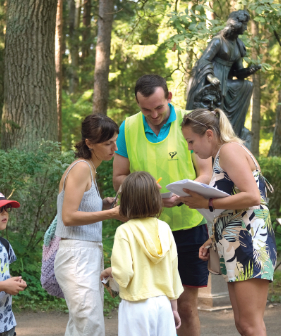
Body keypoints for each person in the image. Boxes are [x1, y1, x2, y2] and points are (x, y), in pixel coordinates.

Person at [113, 74, 213, 336]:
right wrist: (154, 199)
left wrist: (183, 194)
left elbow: (205, 172)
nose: (153, 114)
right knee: (149, 305)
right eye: (146, 109)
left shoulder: (190, 121)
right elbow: (119, 178)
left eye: (158, 107)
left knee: (186, 308)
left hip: (189, 228)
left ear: (169, 97)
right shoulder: (128, 127)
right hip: (145, 233)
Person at [179, 108, 277, 336]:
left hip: (249, 244)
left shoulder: (228, 150)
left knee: (250, 326)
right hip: (238, 244)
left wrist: (206, 202)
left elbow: (253, 196)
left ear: (209, 134)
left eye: (191, 140)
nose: (190, 147)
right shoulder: (223, 154)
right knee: (244, 325)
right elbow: (234, 205)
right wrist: (213, 239)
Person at [54, 114, 125, 336]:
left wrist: (102, 205)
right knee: (90, 325)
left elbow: (78, 208)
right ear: (89, 143)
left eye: (115, 141)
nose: (114, 148)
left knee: (82, 325)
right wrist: (110, 213)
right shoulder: (81, 168)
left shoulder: (89, 170)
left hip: (85, 254)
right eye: (107, 143)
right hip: (77, 255)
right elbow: (68, 216)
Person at [101, 171, 183, 336]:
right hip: (164, 305)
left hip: (135, 305)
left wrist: (108, 272)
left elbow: (123, 274)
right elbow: (173, 271)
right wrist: (174, 309)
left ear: (126, 201)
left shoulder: (124, 231)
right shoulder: (165, 229)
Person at [186, 10, 261, 138]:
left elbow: (238, 72)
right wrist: (210, 76)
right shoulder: (218, 41)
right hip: (213, 81)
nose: (246, 27)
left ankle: (234, 128)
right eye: (244, 24)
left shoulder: (238, 45)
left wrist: (249, 70)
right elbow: (204, 60)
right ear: (236, 24)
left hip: (226, 82)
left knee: (247, 86)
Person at [0, 193, 27, 336]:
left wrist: (14, 281)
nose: (5, 213)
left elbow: (4, 273)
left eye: (7, 208)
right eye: (0, 210)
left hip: (7, 322)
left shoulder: (5, 245)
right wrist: (4, 286)